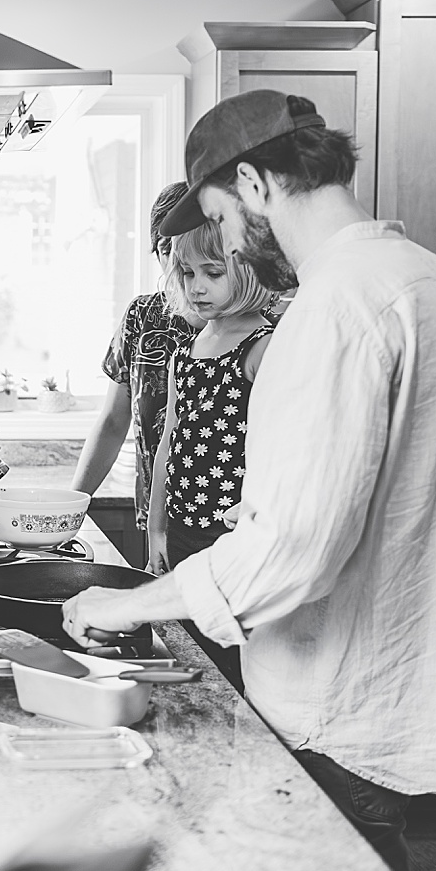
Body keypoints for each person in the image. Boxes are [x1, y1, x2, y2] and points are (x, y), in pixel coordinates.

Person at [61, 89, 436, 871]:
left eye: (225, 218)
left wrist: (123, 603)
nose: (233, 242)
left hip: (336, 699)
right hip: (394, 690)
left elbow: (294, 552)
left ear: (253, 184)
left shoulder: (335, 307)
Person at [145, 221, 274, 690]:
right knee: (191, 661)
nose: (196, 287)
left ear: (248, 271)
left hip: (231, 537)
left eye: (212, 273)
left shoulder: (263, 347)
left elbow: (277, 451)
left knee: (232, 667)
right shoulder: (187, 348)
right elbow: (169, 442)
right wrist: (156, 526)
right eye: (186, 272)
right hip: (181, 531)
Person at [70, 183, 203, 539]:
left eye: (187, 244)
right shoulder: (142, 317)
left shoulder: (250, 327)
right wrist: (70, 508)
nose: (176, 261)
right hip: (155, 522)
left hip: (225, 526)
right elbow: (114, 422)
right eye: (165, 248)